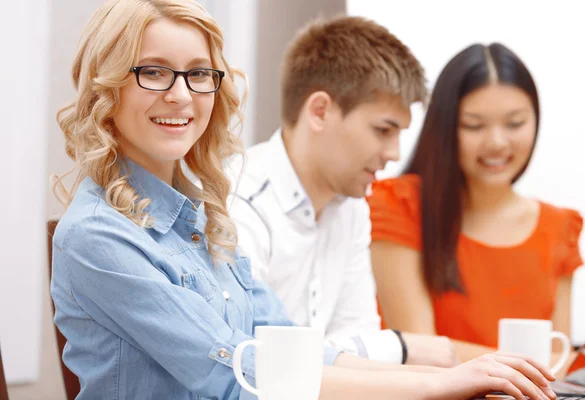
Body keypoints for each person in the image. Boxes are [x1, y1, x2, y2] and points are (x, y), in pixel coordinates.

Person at [50, 1, 558, 399]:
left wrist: (456, 372)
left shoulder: (202, 215)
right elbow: (239, 377)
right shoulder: (97, 235)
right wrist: (440, 380)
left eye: (199, 73)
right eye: (154, 71)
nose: (182, 95)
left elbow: (297, 349)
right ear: (107, 87)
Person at [228, 15, 456, 368]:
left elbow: (359, 338)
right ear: (320, 111)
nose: (394, 153)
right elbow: (250, 354)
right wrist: (399, 347)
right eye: (383, 130)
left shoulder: (352, 207)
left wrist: (381, 348)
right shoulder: (237, 201)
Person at [368, 43, 584, 360]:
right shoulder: (400, 205)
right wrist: (520, 369)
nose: (496, 142)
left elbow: (558, 359)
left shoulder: (560, 227)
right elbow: (418, 349)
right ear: (444, 128)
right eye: (474, 125)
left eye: (515, 123)